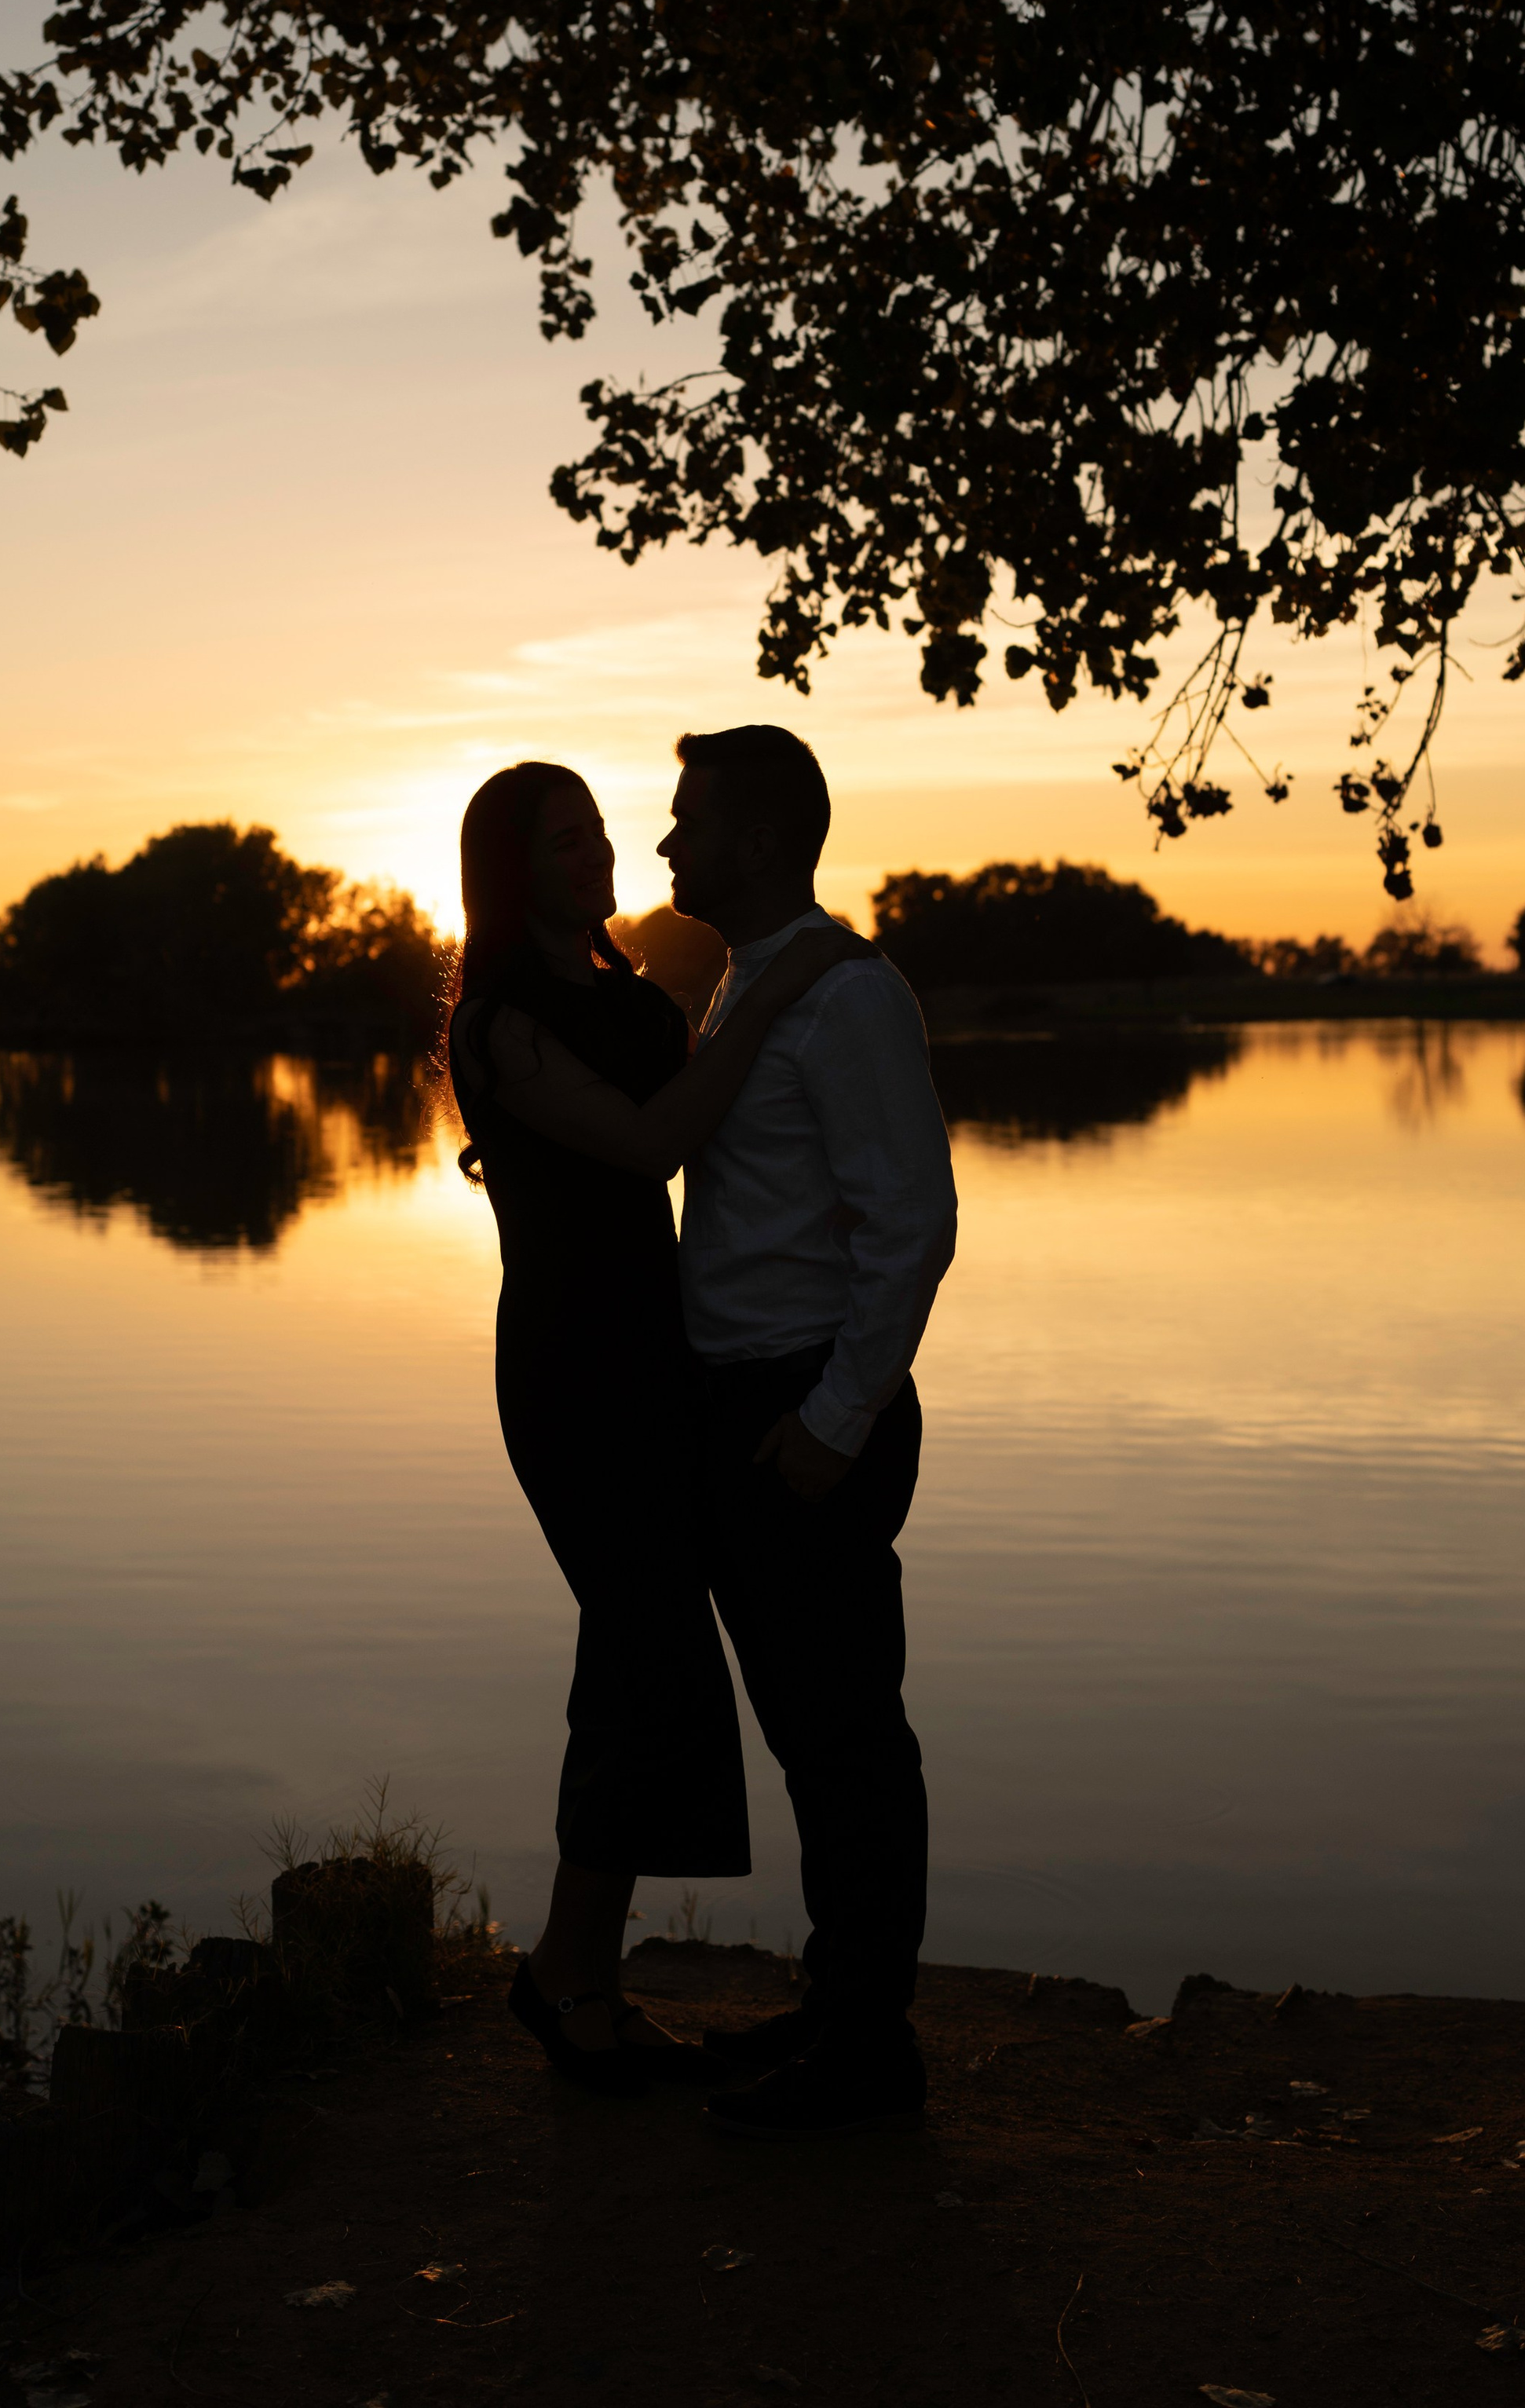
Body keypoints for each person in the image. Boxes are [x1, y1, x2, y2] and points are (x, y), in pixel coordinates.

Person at [446, 759, 874, 2097]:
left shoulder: (621, 986)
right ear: (515, 869)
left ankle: (579, 1976)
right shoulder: (503, 1018)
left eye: (600, 832)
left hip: (660, 1353)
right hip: (574, 1368)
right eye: (567, 842)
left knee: (645, 1658)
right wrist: (784, 989)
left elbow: (714, 1107)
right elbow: (653, 1144)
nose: (602, 854)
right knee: (646, 1649)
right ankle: (567, 1980)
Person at [659, 724, 958, 2141]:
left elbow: (912, 1225)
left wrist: (836, 1423)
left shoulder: (847, 999)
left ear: (762, 842)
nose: (666, 847)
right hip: (747, 1405)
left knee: (847, 1737)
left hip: (805, 1412)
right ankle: (846, 2009)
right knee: (808, 1734)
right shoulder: (743, 987)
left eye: (689, 824)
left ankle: (868, 2053)